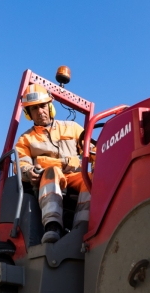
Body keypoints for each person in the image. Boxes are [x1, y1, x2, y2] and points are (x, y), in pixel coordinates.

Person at [15, 83, 91, 243]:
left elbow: (93, 151)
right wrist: (29, 172)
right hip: (47, 178)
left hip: (74, 175)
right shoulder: (25, 139)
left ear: (50, 106)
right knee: (52, 171)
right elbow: (20, 164)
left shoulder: (73, 128)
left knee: (90, 178)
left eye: (42, 106)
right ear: (28, 114)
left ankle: (82, 227)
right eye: (34, 109)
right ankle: (52, 226)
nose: (39, 112)